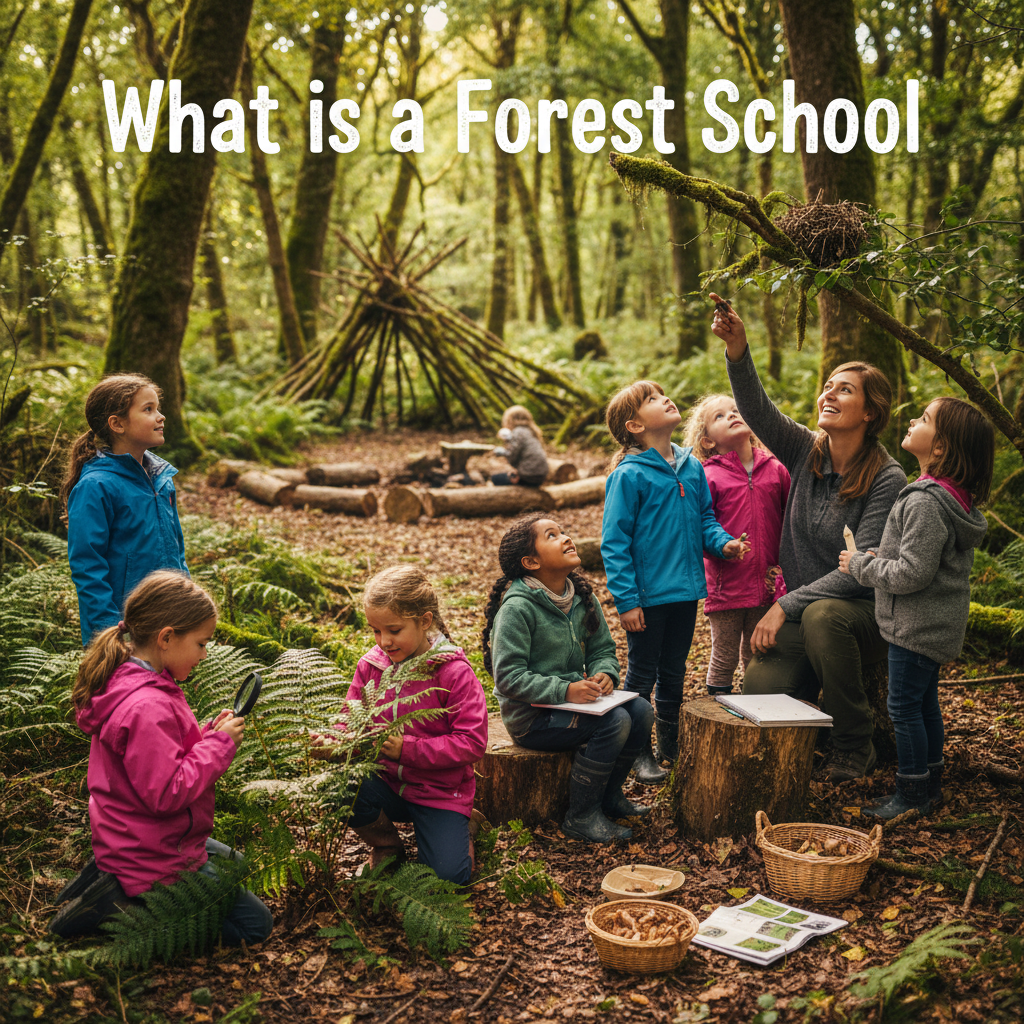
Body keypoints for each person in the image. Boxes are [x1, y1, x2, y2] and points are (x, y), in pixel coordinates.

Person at [711, 292, 907, 782]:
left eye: (845, 390)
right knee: (758, 692)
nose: (829, 395)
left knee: (824, 617)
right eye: (827, 387)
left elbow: (859, 572)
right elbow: (758, 410)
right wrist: (737, 348)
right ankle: (812, 734)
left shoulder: (887, 478)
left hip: (863, 613)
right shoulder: (806, 451)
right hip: (806, 613)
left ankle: (854, 745)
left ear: (870, 411)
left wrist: (784, 604)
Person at [50, 571, 272, 944]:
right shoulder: (147, 704)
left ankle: (114, 879)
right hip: (151, 855)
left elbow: (158, 760)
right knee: (256, 926)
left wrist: (207, 736)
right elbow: (167, 793)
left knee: (239, 865)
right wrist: (220, 746)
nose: (204, 654)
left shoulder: (132, 678)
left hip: (134, 836)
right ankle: (123, 911)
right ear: (166, 638)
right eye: (201, 643)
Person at [840, 397, 994, 817]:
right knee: (924, 705)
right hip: (932, 625)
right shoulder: (949, 499)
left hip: (915, 628)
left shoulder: (925, 501)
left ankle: (911, 794)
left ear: (940, 447)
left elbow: (912, 574)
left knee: (904, 709)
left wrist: (861, 566)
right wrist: (882, 554)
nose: (912, 419)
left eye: (924, 418)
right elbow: (921, 558)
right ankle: (930, 784)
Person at [601, 381, 750, 784]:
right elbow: (614, 543)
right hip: (647, 597)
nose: (664, 399)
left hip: (685, 592)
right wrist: (627, 601)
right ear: (634, 425)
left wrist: (723, 544)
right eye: (651, 399)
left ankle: (671, 744)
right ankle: (638, 751)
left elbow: (705, 521)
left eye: (662, 394)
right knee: (641, 674)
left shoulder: (692, 466)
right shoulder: (629, 476)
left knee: (674, 671)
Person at [482, 515, 654, 843]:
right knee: (615, 722)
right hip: (532, 718)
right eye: (551, 535)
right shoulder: (517, 609)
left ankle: (609, 796)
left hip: (576, 704)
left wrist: (605, 673)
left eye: (563, 531)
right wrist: (565, 690)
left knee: (642, 711)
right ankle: (581, 815)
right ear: (531, 562)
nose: (565, 538)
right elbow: (508, 678)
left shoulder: (581, 598)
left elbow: (603, 649)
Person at [340, 566, 487, 885]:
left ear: (424, 621)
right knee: (340, 782)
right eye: (376, 631)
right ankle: (386, 845)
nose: (384, 641)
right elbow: (350, 716)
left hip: (439, 793)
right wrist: (334, 741)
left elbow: (472, 742)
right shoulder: (371, 666)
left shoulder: (454, 673)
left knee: (447, 878)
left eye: (394, 630)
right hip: (386, 784)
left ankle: (462, 827)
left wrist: (407, 750)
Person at [62, 374, 189, 645]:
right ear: (117, 424)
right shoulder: (96, 486)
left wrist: (187, 604)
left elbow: (177, 551)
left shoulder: (162, 480)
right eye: (148, 409)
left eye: (157, 408)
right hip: (123, 629)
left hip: (169, 618)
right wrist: (110, 631)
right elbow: (87, 567)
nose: (161, 417)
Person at [684, 394, 791, 696]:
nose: (732, 415)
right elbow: (701, 527)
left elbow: (791, 518)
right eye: (719, 416)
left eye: (735, 409)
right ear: (707, 441)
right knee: (725, 655)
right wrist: (723, 546)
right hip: (727, 585)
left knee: (757, 654)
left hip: (769, 584)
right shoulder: (708, 476)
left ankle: (754, 708)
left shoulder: (776, 468)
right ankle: (717, 711)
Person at [491, 405, 549, 486]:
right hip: (541, 475)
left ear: (510, 420)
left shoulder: (517, 432)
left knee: (495, 478)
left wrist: (502, 452)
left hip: (529, 476)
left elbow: (512, 456)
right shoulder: (531, 431)